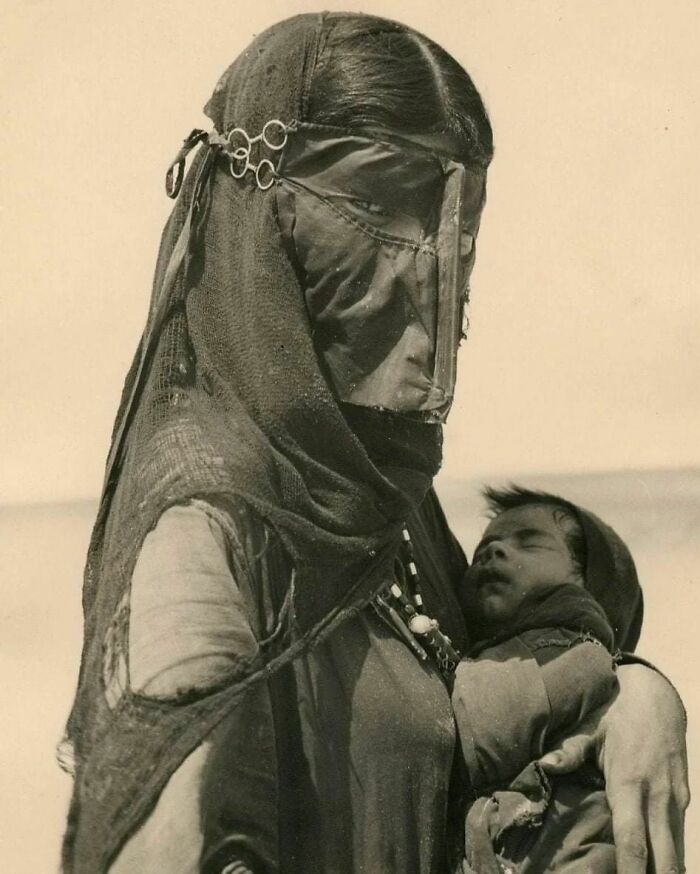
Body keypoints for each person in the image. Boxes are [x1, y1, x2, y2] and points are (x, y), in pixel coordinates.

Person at [59, 12, 688, 874]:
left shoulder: (379, 493)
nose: (427, 284)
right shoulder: (202, 533)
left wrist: (639, 694)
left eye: (450, 236)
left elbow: (476, 700)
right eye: (382, 222)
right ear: (274, 228)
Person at [451, 486, 649, 871]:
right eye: (484, 547)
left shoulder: (568, 652)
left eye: (529, 544)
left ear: (584, 580)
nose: (495, 550)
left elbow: (478, 736)